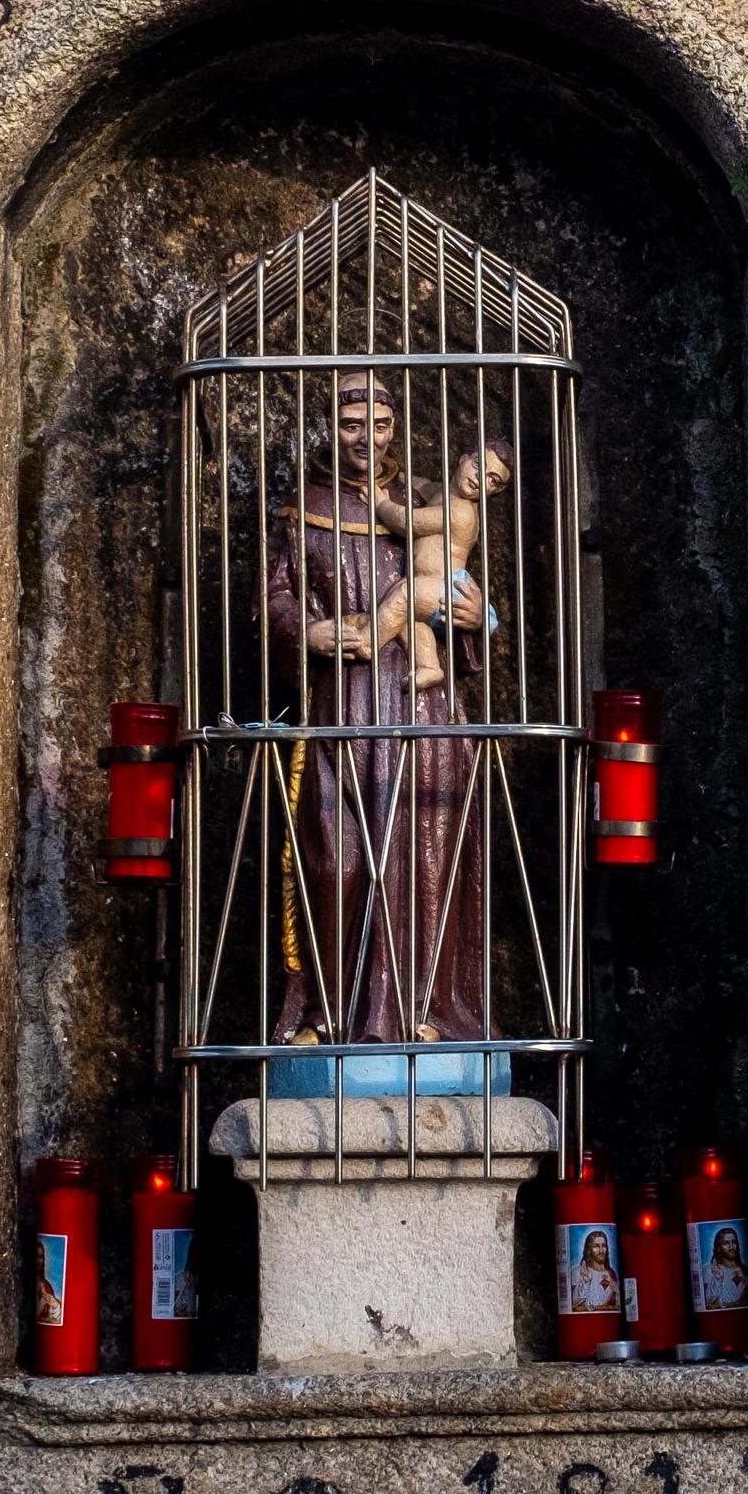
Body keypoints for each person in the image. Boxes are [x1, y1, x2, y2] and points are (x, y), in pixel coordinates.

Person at [265, 373, 489, 1047]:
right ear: (332, 427)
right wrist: (307, 632)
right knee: (336, 860)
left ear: (397, 428)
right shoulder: (302, 508)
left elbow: (462, 591)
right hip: (345, 705)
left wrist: (477, 619)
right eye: (354, 424)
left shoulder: (426, 503)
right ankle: (328, 1015)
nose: (368, 439)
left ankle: (427, 1012)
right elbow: (273, 598)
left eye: (380, 425)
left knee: (425, 861)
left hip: (423, 708)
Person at [365, 441, 510, 692]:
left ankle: (367, 641)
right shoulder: (439, 492)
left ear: (495, 491)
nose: (479, 478)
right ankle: (429, 666)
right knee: (409, 622)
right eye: (478, 465)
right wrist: (389, 470)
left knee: (406, 593)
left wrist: (381, 504)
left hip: (447, 589)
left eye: (492, 480)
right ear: (463, 458)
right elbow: (415, 482)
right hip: (434, 587)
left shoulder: (462, 512)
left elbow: (407, 522)